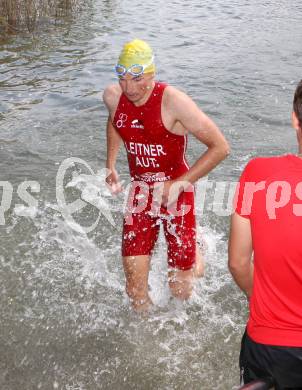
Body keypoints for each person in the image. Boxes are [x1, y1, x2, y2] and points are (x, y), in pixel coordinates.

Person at [103, 39, 229, 312]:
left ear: (151, 73)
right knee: (134, 290)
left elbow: (220, 147)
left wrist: (179, 184)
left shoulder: (174, 102)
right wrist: (110, 163)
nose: (129, 87)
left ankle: (196, 249)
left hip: (177, 193)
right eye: (122, 78)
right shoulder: (113, 97)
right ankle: (143, 348)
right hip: (140, 194)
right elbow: (115, 121)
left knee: (180, 291)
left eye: (137, 78)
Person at [229, 81, 302, 389]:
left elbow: (238, 263)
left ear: (295, 119)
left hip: (269, 346)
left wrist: (259, 298)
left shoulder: (257, 173)